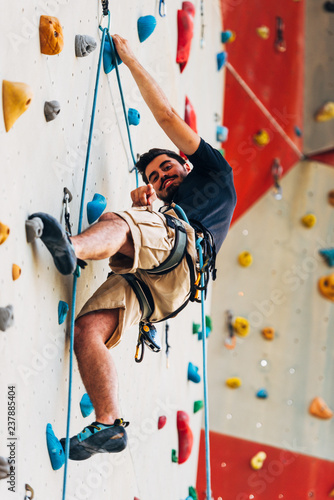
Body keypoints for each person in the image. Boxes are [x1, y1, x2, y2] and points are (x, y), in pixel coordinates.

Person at [29, 35, 237, 461]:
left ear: (185, 163)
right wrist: (149, 209)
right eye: (157, 179)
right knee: (88, 331)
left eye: (166, 168)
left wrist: (130, 59)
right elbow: (153, 231)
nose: (162, 179)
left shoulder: (214, 171)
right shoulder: (166, 210)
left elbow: (164, 114)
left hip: (184, 255)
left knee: (118, 222)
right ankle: (109, 424)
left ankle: (72, 247)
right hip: (160, 289)